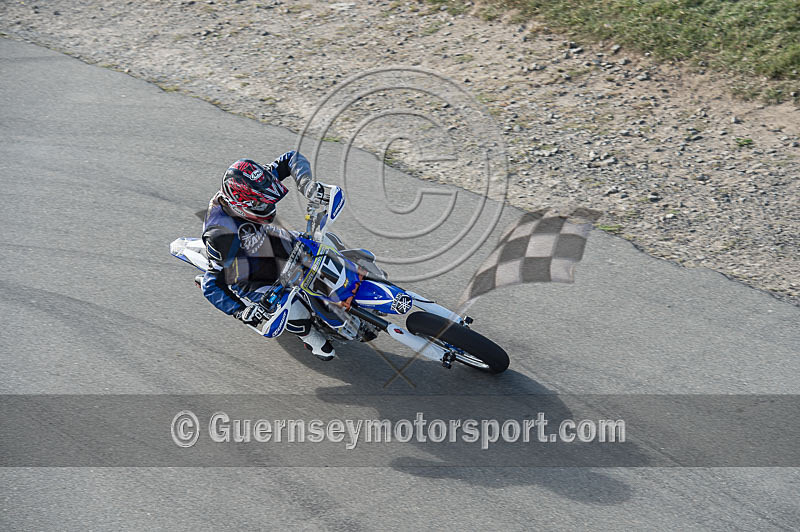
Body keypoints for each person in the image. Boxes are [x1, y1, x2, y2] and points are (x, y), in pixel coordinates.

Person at [200, 151, 336, 360]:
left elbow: (291, 158)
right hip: (249, 274)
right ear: (241, 205)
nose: (269, 206)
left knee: (326, 244)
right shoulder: (219, 234)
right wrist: (239, 311)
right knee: (296, 311)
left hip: (270, 239)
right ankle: (310, 337)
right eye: (261, 204)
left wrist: (307, 184)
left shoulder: (252, 183)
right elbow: (211, 283)